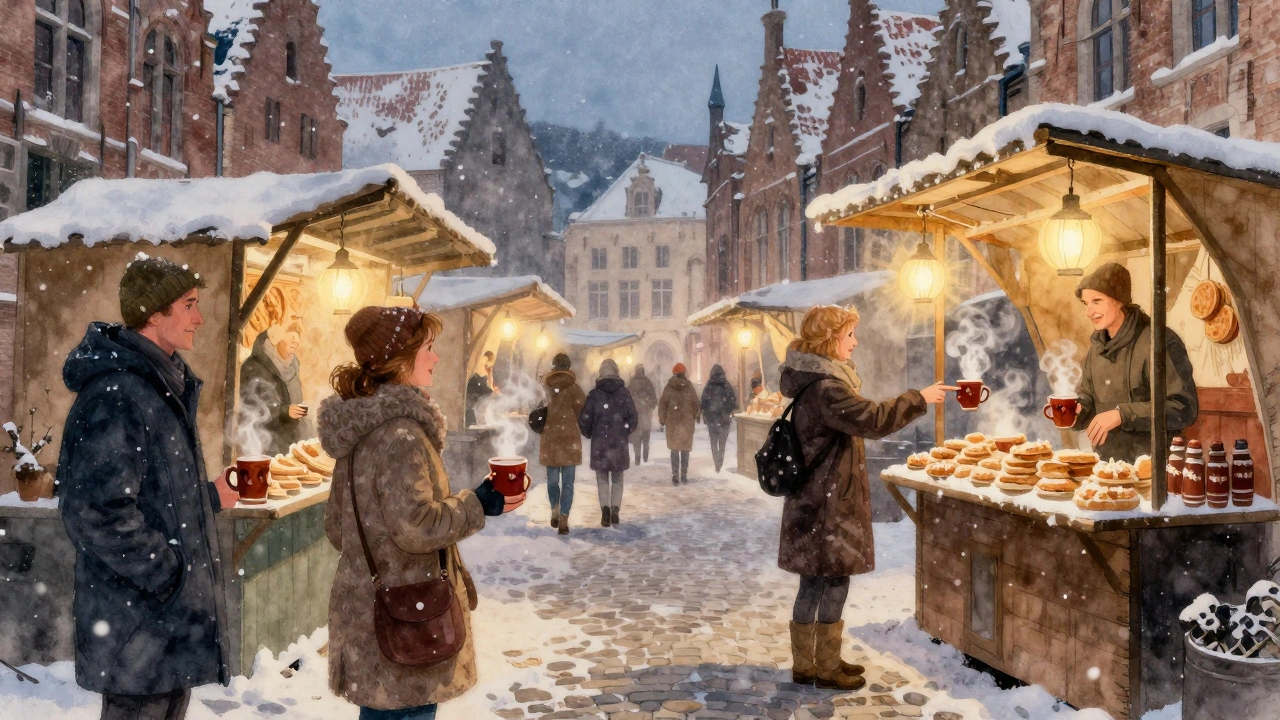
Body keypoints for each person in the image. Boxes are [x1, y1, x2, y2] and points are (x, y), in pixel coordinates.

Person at [319, 306, 524, 720]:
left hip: (369, 612)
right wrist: (479, 502)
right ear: (400, 358)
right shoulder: (401, 435)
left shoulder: (362, 428)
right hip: (407, 619)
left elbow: (336, 527)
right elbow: (416, 526)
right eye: (429, 348)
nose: (437, 357)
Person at [58, 254, 227, 720]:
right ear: (155, 313)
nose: (200, 318)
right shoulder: (120, 393)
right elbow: (95, 510)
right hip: (137, 630)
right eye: (189, 305)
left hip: (161, 630)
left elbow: (152, 494)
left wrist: (209, 497)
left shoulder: (160, 385)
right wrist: (170, 575)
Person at [779, 305, 954, 691]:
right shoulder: (826, 388)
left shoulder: (811, 382)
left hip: (812, 501)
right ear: (830, 341)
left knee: (811, 583)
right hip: (828, 507)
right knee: (834, 581)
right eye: (849, 336)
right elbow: (873, 419)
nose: (855, 342)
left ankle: (808, 664)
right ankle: (823, 667)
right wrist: (918, 398)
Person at [1072, 263, 1198, 462]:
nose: (1088, 312)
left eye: (1096, 301)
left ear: (1119, 301)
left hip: (1155, 466)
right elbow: (1087, 396)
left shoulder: (1159, 341)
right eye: (1085, 303)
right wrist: (1076, 411)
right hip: (1108, 466)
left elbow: (1183, 408)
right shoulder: (1096, 348)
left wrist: (1122, 414)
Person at [578, 359, 638, 527]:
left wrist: (590, 433)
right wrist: (624, 430)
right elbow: (633, 418)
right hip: (619, 442)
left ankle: (605, 509)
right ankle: (615, 509)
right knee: (618, 477)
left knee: (602, 477)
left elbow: (584, 418)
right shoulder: (624, 394)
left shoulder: (594, 394)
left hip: (600, 442)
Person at [239, 324, 311, 456]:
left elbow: (297, 403)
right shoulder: (254, 366)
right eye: (293, 337)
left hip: (289, 442)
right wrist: (284, 410)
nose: (297, 342)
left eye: (298, 340)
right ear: (275, 340)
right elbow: (248, 405)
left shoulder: (292, 367)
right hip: (263, 442)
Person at [540, 353, 587, 535]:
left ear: (553, 367)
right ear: (568, 367)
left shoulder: (545, 388)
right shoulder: (575, 389)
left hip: (550, 440)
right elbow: (582, 411)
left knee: (552, 482)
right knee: (568, 483)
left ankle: (555, 510)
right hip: (569, 441)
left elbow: (536, 409)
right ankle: (564, 519)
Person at [658, 363, 701, 485]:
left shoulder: (669, 387)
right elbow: (696, 403)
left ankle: (675, 474)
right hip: (686, 423)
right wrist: (696, 416)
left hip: (673, 423)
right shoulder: (689, 386)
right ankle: (684, 475)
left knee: (675, 449)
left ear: (674, 373)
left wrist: (662, 418)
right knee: (685, 450)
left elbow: (663, 404)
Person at [700, 364, 738, 472]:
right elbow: (732, 400)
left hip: (712, 418)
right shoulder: (726, 385)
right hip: (724, 418)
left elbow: (704, 402)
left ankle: (716, 461)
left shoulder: (709, 385)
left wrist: (706, 413)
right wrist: (728, 410)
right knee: (722, 440)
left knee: (713, 440)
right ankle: (720, 458)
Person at [627, 364, 658, 465]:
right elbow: (653, 398)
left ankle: (637, 458)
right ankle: (645, 456)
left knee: (636, 436)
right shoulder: (648, 382)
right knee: (646, 435)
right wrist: (649, 406)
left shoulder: (631, 383)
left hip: (635, 414)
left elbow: (627, 398)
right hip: (646, 413)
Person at [465, 350, 498, 427]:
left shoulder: (485, 375)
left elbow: (490, 391)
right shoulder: (476, 378)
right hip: (473, 412)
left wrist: (490, 374)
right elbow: (490, 392)